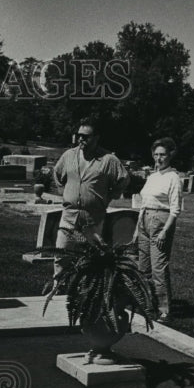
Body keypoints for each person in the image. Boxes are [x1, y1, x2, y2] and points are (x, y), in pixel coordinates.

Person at [51, 120, 129, 288]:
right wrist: (64, 192)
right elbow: (57, 174)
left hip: (93, 220)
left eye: (86, 136)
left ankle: (84, 297)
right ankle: (58, 291)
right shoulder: (69, 155)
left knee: (90, 261)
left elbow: (123, 179)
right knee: (61, 256)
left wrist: (108, 197)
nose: (81, 139)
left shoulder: (108, 160)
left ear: (96, 138)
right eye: (79, 135)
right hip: (69, 217)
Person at [135, 137, 182, 322]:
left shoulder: (174, 178)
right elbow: (144, 203)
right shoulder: (153, 176)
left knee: (158, 268)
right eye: (156, 155)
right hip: (144, 221)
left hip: (161, 222)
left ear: (170, 155)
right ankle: (147, 304)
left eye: (162, 154)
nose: (159, 158)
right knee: (143, 267)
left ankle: (164, 310)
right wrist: (136, 228)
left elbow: (175, 209)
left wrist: (164, 231)